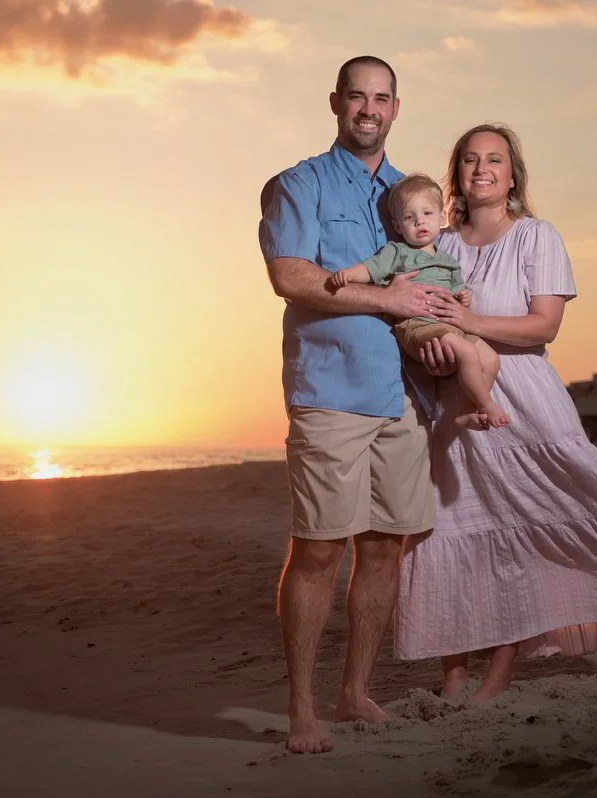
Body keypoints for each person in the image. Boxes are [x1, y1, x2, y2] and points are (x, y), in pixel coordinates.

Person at [394, 123, 597, 703]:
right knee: (452, 534)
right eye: (469, 159)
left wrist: (467, 324)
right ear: (456, 174)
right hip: (456, 407)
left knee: (526, 532)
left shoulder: (537, 236)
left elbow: (545, 325)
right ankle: (453, 675)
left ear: (513, 175)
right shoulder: (439, 245)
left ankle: (498, 672)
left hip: (527, 405)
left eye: (494, 159)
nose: (481, 169)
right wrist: (433, 346)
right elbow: (419, 318)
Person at [257, 56, 458, 754]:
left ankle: (355, 692)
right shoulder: (297, 184)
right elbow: (292, 277)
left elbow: (439, 283)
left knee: (383, 548)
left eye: (381, 98)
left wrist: (443, 336)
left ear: (395, 109)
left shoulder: (414, 194)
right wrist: (388, 299)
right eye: (356, 97)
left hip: (401, 399)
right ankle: (303, 711)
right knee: (317, 550)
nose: (368, 109)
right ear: (335, 103)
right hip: (330, 395)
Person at [326, 173, 511, 428]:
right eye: (410, 218)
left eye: (427, 214)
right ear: (398, 225)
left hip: (451, 326)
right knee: (467, 352)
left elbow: (458, 294)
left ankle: (472, 410)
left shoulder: (448, 261)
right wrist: (349, 275)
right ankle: (487, 405)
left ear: (441, 218)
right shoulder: (398, 251)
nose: (420, 222)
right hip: (418, 325)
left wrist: (463, 296)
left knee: (491, 359)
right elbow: (372, 268)